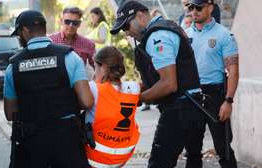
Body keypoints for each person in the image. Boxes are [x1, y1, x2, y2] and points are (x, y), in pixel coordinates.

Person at [110, 1, 206, 167]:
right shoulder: (165, 28)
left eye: (126, 26)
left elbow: (169, 84)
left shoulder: (157, 36)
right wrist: (131, 89)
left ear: (140, 16)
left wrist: (136, 99)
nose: (127, 33)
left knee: (159, 164)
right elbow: (157, 79)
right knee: (193, 160)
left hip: (180, 110)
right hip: (192, 106)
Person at [4, 10, 93, 168]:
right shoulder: (70, 57)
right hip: (67, 140)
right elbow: (86, 101)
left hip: (31, 142)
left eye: (18, 33)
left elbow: (10, 114)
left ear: (24, 31)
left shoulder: (13, 66)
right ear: (44, 28)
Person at [185, 0, 239, 167]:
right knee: (192, 151)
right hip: (191, 96)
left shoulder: (224, 35)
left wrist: (228, 101)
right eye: (191, 7)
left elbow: (233, 72)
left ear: (210, 7)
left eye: (198, 7)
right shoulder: (184, 35)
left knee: (224, 150)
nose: (194, 11)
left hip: (215, 96)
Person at [85, 46, 140, 167]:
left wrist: (95, 79)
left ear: (103, 67)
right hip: (122, 157)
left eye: (95, 67)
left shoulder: (94, 88)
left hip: (95, 158)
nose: (95, 71)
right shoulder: (134, 88)